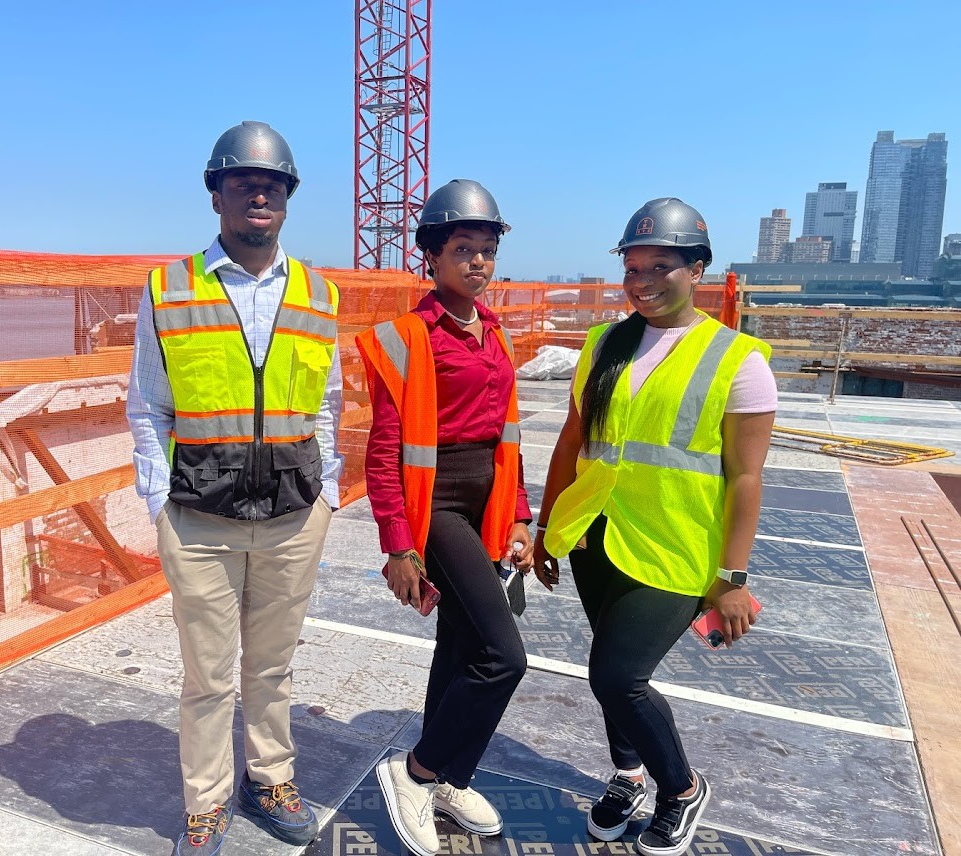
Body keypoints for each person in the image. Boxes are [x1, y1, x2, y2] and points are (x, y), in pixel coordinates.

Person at [531, 198, 777, 856]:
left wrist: (730, 579)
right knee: (611, 673)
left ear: (697, 269)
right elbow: (575, 439)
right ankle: (627, 774)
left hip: (674, 546)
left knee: (617, 677)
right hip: (594, 537)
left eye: (660, 266)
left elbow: (746, 478)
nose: (641, 280)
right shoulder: (604, 342)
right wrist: (546, 524)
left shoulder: (739, 359)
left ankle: (681, 787)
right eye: (632, 266)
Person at [126, 121, 342, 855]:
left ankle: (271, 775)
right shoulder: (170, 287)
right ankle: (207, 800)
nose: (261, 193)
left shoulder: (319, 292)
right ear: (217, 193)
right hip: (198, 516)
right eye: (245, 182)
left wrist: (328, 492)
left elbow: (326, 405)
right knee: (209, 674)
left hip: (291, 513)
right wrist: (158, 501)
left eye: (274, 184)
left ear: (286, 200)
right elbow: (148, 404)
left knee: (273, 665)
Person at [356, 179, 534, 856]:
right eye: (464, 249)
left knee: (459, 648)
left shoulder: (495, 335)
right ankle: (416, 772)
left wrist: (519, 517)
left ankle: (449, 779)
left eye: (487, 250)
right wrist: (399, 545)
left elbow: (507, 435)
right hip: (438, 506)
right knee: (501, 656)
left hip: (488, 504)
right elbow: (382, 453)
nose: (479, 262)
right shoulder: (405, 339)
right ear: (430, 256)